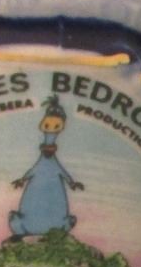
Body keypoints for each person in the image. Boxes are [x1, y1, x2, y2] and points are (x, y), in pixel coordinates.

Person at [8, 96, 85, 237]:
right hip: (33, 219)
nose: (51, 127)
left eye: (56, 126)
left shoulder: (47, 163)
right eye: (48, 125)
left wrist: (72, 183)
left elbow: (44, 170)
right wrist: (22, 180)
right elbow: (53, 170)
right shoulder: (48, 163)